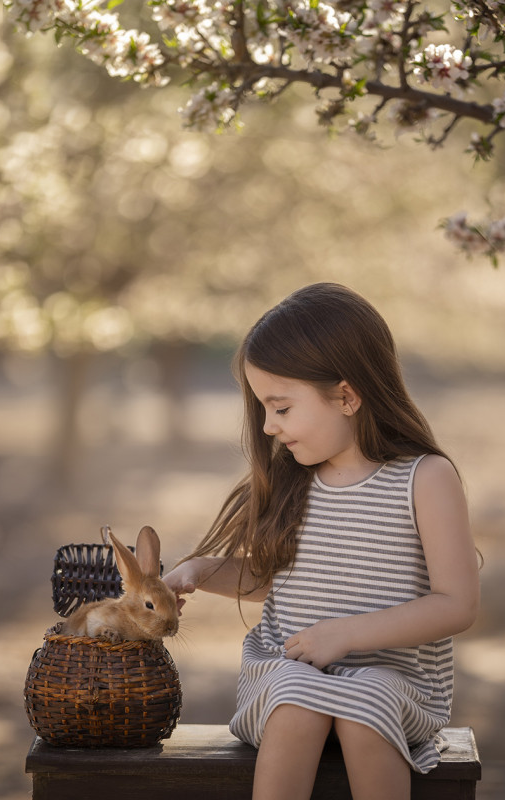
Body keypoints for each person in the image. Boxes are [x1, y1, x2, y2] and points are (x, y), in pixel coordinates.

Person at [163, 282, 480, 800]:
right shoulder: (294, 480)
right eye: (263, 408)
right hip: (288, 675)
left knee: (368, 702)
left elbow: (457, 604)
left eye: (281, 408)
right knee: (297, 697)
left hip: (397, 684)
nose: (267, 426)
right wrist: (201, 568)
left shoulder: (425, 478)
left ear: (347, 396)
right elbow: (281, 581)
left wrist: (346, 635)